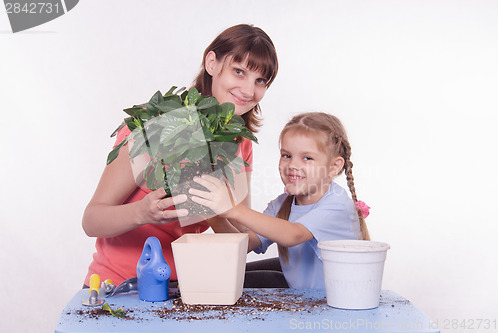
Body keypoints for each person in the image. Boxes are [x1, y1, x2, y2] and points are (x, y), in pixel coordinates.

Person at [81, 24, 278, 287]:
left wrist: (293, 217)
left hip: (186, 284)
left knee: (281, 279)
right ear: (211, 63)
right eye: (238, 71)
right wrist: (142, 212)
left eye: (260, 80)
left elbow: (238, 228)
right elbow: (91, 220)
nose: (248, 90)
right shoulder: (157, 126)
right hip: (124, 285)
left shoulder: (239, 141)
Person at [190, 112, 370, 288]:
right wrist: (214, 215)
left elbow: (293, 235)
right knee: (232, 275)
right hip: (304, 300)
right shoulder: (282, 204)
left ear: (334, 166)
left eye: (307, 158)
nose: (292, 165)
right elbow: (242, 244)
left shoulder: (336, 203)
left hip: (337, 306)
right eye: (286, 155)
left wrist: (234, 210)